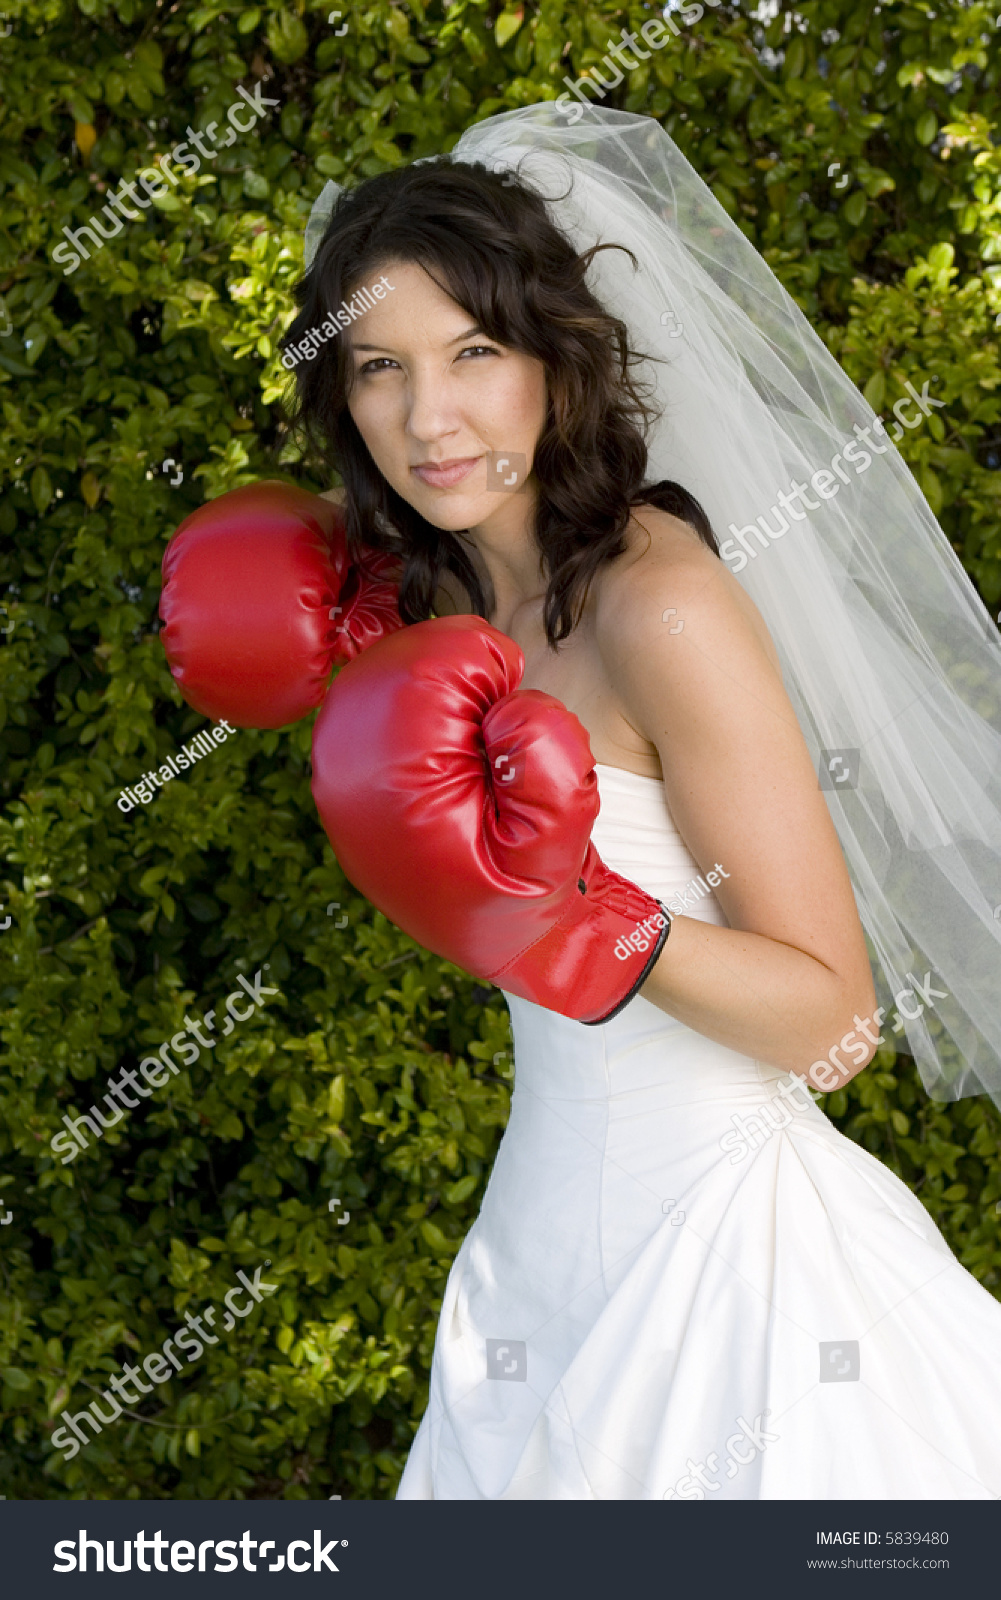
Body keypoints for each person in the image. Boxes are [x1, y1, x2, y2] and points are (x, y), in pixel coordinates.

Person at [160, 106, 1001, 1500]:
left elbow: (835, 1021)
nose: (428, 418)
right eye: (380, 370)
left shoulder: (656, 604)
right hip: (543, 1234)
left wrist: (583, 920)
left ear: (555, 356)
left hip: (728, 1265)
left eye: (473, 354)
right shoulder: (442, 598)